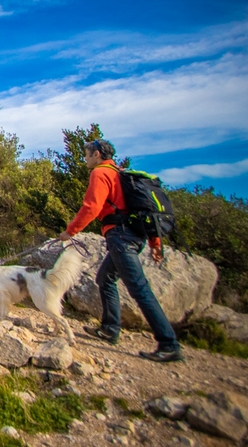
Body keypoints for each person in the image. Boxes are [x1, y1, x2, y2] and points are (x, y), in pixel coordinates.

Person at [59, 139, 183, 362]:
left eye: (87, 155)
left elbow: (92, 206)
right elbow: (144, 207)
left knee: (139, 288)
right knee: (105, 279)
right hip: (133, 235)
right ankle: (109, 328)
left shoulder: (100, 173)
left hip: (120, 237)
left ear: (97, 154)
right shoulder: (122, 174)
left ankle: (169, 343)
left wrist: (71, 231)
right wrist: (155, 243)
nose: (85, 159)